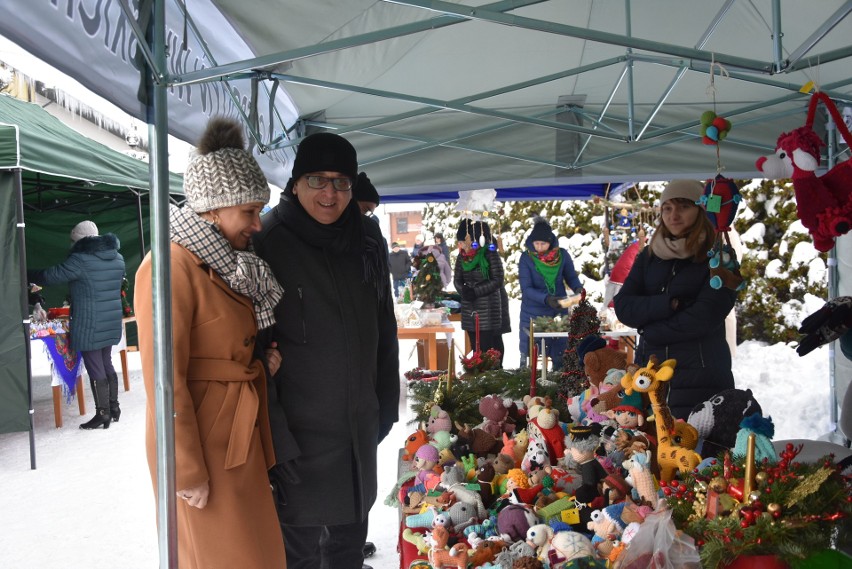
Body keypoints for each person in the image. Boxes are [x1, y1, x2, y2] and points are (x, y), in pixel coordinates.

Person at [134, 117, 287, 568]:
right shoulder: (168, 266)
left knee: (251, 554)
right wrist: (185, 470)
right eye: (249, 211)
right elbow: (163, 381)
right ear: (214, 209)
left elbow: (221, 347)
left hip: (234, 441)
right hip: (201, 450)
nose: (258, 225)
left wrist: (258, 364)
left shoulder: (223, 260)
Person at [253, 132, 400, 569]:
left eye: (342, 182)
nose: (330, 193)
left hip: (357, 433)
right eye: (318, 179)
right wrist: (277, 444)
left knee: (347, 549)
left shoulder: (368, 239)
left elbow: (384, 328)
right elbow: (255, 351)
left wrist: (384, 407)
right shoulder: (266, 242)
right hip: (297, 444)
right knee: (298, 556)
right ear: (296, 183)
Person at [614, 179, 737, 419]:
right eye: (667, 208)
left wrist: (650, 329)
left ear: (701, 210)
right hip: (651, 375)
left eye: (683, 206)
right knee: (649, 451)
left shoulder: (719, 257)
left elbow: (704, 317)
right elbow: (624, 306)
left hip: (700, 378)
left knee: (697, 451)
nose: (674, 215)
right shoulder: (649, 255)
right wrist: (668, 304)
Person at [28, 220, 125, 429]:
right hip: (110, 319)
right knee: (106, 361)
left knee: (95, 365)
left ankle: (103, 414)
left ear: (79, 240)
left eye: (73, 241)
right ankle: (113, 407)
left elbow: (51, 275)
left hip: (89, 322)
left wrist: (25, 272)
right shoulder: (118, 258)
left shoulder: (80, 260)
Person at [518, 216, 583, 369]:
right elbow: (526, 289)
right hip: (533, 313)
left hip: (558, 311)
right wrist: (546, 299)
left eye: (543, 243)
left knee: (561, 351)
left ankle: (560, 377)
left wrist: (578, 289)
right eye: (536, 243)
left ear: (550, 242)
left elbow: (571, 277)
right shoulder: (526, 258)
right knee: (533, 353)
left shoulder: (562, 255)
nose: (539, 247)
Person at [454, 218, 507, 364]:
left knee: (488, 347)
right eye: (460, 242)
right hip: (469, 308)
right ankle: (478, 376)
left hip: (488, 308)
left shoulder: (490, 254)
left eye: (464, 242)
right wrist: (463, 290)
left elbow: (497, 279)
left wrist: (476, 291)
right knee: (475, 347)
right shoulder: (462, 257)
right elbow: (457, 279)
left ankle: (492, 375)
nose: (462, 245)